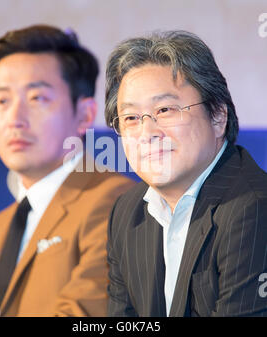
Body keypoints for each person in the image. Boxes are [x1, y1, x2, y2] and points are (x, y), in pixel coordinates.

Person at [0, 24, 134, 317]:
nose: (14, 119)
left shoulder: (116, 203)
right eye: (2, 100)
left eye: (37, 99)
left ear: (85, 114)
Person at [105, 30, 267, 317]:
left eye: (165, 109)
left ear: (218, 116)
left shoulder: (253, 207)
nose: (147, 132)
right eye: (130, 118)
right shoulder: (126, 212)